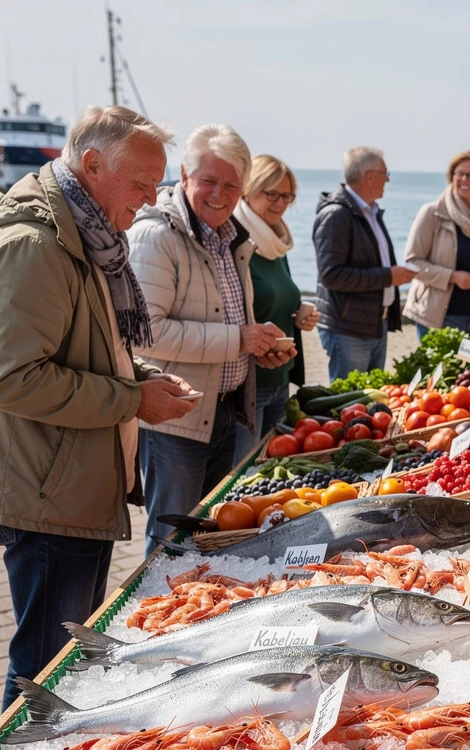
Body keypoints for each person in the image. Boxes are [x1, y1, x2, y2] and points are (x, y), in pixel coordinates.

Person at [0, 105, 196, 711]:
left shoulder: (88, 235)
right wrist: (133, 399)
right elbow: (12, 378)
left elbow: (87, 347)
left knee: (63, 662)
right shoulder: (38, 246)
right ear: (92, 166)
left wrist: (143, 376)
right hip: (50, 495)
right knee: (45, 669)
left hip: (73, 485)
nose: (153, 196)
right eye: (142, 182)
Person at [128, 124, 292, 554]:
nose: (219, 194)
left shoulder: (230, 236)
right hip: (176, 418)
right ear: (184, 176)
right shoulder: (157, 236)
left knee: (209, 536)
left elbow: (228, 319)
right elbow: (145, 333)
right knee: (170, 544)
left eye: (231, 185)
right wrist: (240, 339)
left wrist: (258, 348)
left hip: (225, 412)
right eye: (208, 181)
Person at [233, 155, 320, 454]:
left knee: (272, 465)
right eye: (272, 194)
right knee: (245, 469)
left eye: (287, 196)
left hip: (280, 379)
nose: (281, 203)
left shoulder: (275, 243)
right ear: (248, 190)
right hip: (248, 384)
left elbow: (277, 296)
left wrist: (298, 316)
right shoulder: (237, 242)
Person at [313, 147, 416, 381]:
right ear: (369, 176)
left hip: (374, 323)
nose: (388, 180)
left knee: (371, 396)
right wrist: (389, 277)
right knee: (350, 398)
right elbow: (332, 275)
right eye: (385, 173)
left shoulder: (370, 212)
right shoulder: (336, 215)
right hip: (348, 328)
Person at [403, 149, 470, 338]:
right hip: (439, 319)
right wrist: (452, 277)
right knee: (442, 360)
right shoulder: (432, 213)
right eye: (459, 174)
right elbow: (412, 263)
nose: (464, 179)